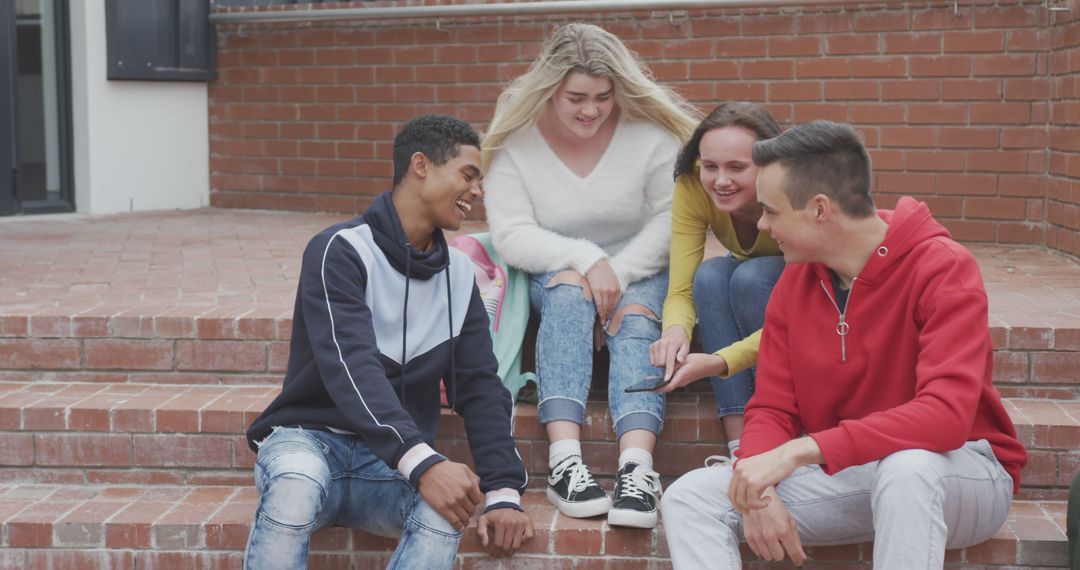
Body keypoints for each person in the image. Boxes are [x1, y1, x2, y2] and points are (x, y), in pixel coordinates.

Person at [660, 121, 1027, 569]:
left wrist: (798, 451)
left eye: (771, 211)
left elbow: (946, 417)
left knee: (907, 468)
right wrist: (757, 485)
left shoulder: (942, 269)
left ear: (819, 209)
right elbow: (773, 407)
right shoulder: (796, 282)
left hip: (962, 470)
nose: (761, 224)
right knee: (689, 498)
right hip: (853, 470)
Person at [243, 115, 533, 570]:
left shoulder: (460, 277)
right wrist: (423, 463)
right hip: (310, 442)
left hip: (389, 466)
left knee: (445, 512)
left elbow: (479, 387)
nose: (477, 192)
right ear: (421, 165)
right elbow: (352, 367)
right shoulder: (340, 250)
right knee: (296, 484)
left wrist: (502, 492)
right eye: (468, 175)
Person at [482, 22, 698, 529]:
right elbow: (512, 233)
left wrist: (616, 275)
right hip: (558, 266)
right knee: (565, 297)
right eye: (576, 96)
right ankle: (565, 464)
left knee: (639, 317)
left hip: (640, 265)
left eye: (603, 96)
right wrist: (585, 260)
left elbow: (670, 222)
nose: (591, 110)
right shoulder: (516, 140)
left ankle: (637, 470)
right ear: (549, 89)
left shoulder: (650, 135)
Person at [648, 102, 785, 450]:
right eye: (710, 166)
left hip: (801, 285)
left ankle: (780, 425)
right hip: (750, 279)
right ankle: (739, 446)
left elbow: (805, 305)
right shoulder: (693, 186)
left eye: (737, 167)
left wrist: (719, 361)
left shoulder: (792, 189)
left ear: (769, 165)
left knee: (750, 278)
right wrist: (675, 332)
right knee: (710, 275)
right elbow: (680, 287)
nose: (720, 180)